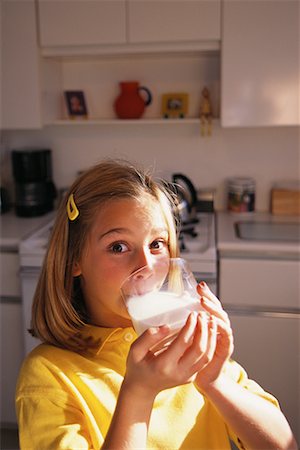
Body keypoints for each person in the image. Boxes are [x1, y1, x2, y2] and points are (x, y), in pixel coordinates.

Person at [16, 160, 297, 450]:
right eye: (118, 246)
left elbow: (283, 446)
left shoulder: (188, 344)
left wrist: (216, 381)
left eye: (156, 244)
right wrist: (137, 393)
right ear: (74, 260)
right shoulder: (48, 374)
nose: (146, 266)